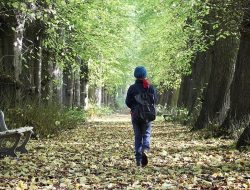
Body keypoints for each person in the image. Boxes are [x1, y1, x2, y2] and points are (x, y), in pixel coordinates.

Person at [125, 66, 157, 167]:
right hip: (147, 115)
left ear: (135, 75)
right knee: (146, 134)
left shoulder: (132, 88)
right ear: (145, 75)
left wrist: (134, 107)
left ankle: (138, 160)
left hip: (135, 115)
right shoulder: (150, 87)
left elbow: (128, 102)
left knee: (138, 136)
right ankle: (145, 149)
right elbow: (154, 100)